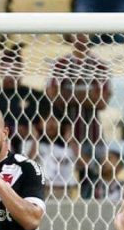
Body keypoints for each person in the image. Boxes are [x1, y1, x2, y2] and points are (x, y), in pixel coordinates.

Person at [47, 33, 111, 166]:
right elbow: (52, 97)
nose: (81, 35)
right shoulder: (60, 65)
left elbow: (102, 102)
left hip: (93, 135)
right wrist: (89, 94)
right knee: (64, 183)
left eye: (86, 31)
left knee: (93, 179)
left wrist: (67, 93)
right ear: (70, 35)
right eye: (77, 31)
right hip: (63, 136)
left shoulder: (100, 66)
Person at [0, 45, 50, 156]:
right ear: (0, 70)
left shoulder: (35, 95)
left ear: (20, 69)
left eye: (13, 70)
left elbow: (51, 122)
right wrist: (11, 130)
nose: (10, 75)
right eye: (6, 70)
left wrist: (32, 130)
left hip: (33, 146)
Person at [23, 113, 79, 199]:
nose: (51, 124)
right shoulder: (30, 144)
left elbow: (85, 164)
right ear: (38, 124)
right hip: (42, 192)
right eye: (46, 119)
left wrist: (71, 141)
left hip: (68, 192)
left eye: (54, 119)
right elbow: (26, 165)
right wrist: (35, 139)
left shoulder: (70, 147)